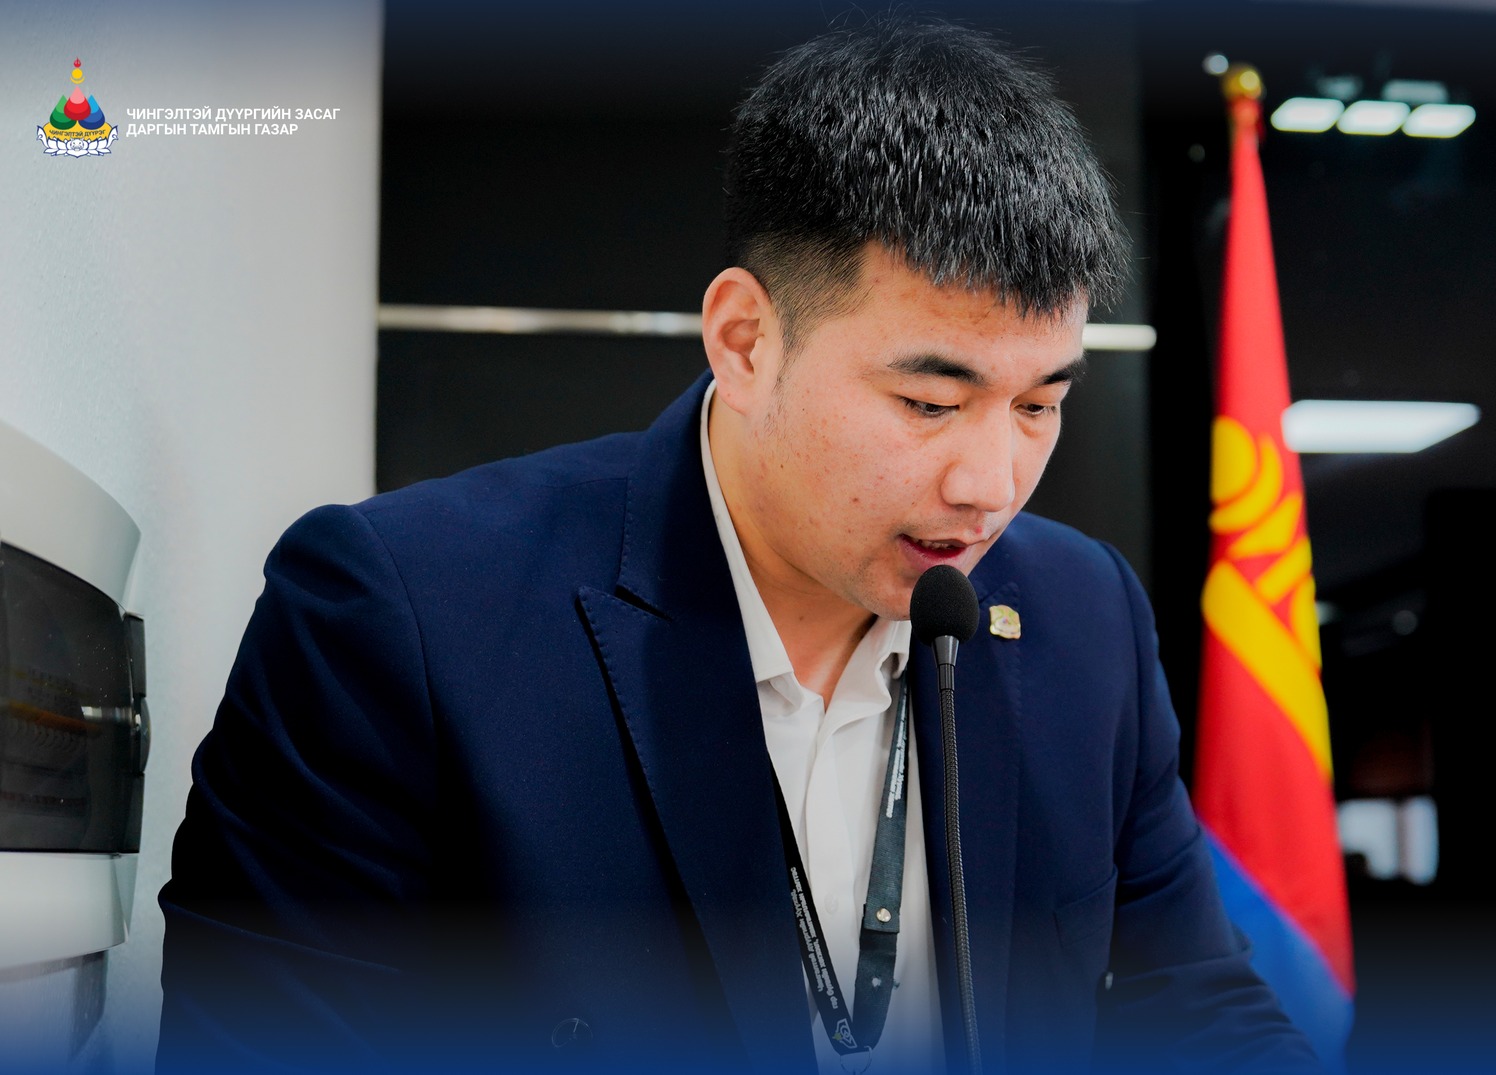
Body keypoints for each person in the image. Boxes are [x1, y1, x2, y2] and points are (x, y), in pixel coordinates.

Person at [158, 17, 1321, 1075]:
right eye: (928, 402)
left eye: (1037, 405)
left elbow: (1195, 1003)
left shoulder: (1083, 617)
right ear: (744, 340)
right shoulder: (403, 616)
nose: (990, 486)